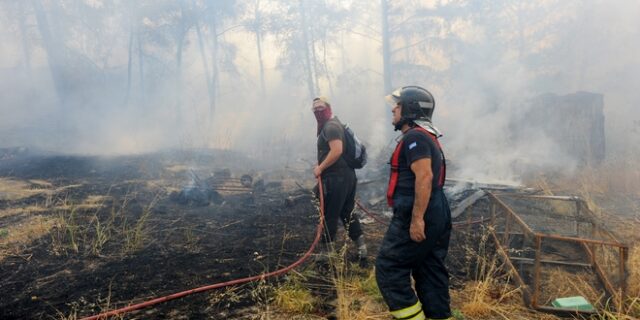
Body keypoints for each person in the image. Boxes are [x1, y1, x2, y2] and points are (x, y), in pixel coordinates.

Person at [375, 86, 452, 320]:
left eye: (397, 106)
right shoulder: (425, 135)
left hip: (419, 211)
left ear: (410, 109)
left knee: (389, 267)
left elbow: (424, 176)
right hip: (437, 209)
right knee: (429, 270)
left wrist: (417, 219)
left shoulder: (415, 137)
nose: (393, 109)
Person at [312, 96, 367, 263]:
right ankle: (361, 249)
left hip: (337, 178)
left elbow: (336, 150)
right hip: (346, 176)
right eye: (314, 109)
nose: (317, 111)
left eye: (320, 107)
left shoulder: (331, 126)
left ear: (328, 107)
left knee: (329, 212)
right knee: (346, 212)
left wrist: (320, 168)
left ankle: (326, 254)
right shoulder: (334, 124)